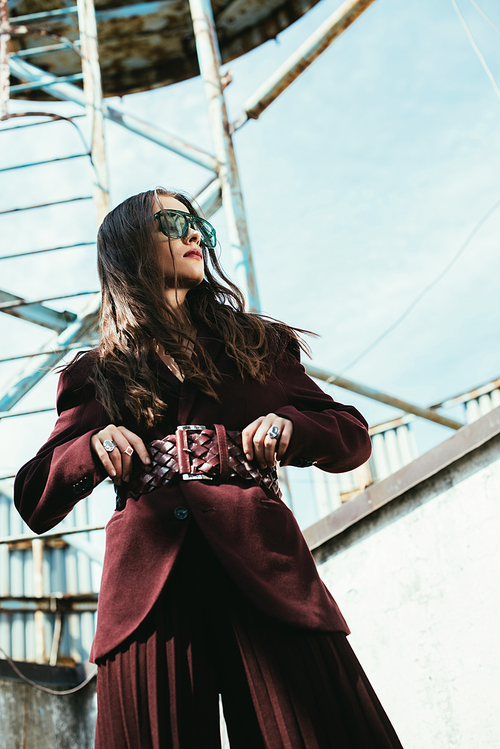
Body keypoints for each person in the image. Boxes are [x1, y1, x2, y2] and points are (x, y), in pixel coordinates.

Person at [14, 188, 404, 749]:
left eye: (200, 225)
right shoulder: (96, 373)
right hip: (148, 594)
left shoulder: (258, 344)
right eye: (174, 222)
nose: (196, 233)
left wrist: (294, 426)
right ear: (130, 247)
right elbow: (33, 497)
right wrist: (91, 446)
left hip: (266, 569)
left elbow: (351, 435)